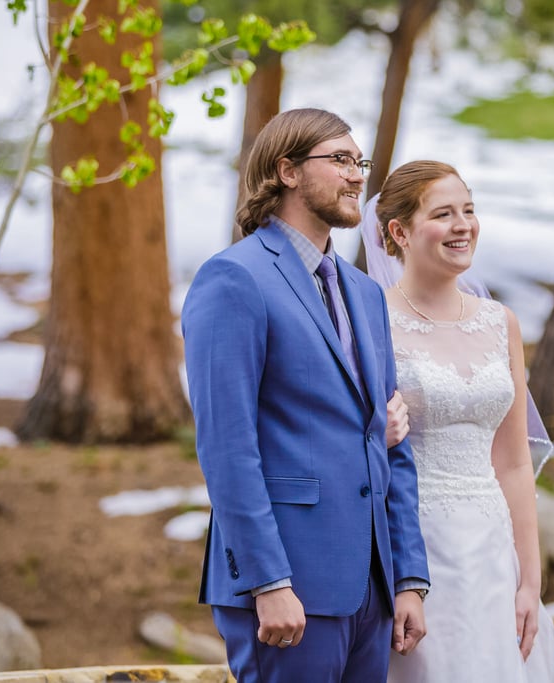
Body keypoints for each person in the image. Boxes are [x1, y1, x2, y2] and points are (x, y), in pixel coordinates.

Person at [181, 108, 430, 682]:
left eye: (359, 161)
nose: (357, 175)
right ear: (288, 170)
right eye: (340, 160)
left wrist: (408, 577)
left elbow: (391, 440)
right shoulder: (234, 279)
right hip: (287, 587)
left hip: (372, 589)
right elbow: (227, 448)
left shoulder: (367, 294)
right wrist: (269, 581)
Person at [362, 160, 554, 682]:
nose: (463, 225)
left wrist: (529, 579)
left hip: (493, 551)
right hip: (416, 545)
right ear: (399, 232)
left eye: (469, 210)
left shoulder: (500, 323)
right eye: (444, 214)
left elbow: (514, 462)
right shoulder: (372, 319)